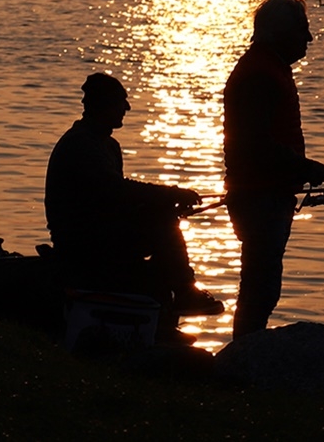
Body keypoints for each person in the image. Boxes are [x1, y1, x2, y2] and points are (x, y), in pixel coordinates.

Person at [44, 72, 224, 317]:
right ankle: (183, 291)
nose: (127, 108)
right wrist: (169, 195)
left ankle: (167, 313)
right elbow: (116, 191)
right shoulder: (81, 144)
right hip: (80, 237)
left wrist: (166, 202)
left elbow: (115, 198)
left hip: (96, 228)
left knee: (161, 216)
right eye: (121, 101)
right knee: (161, 219)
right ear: (103, 104)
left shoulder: (105, 144)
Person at [222, 0, 324, 336]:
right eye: (303, 30)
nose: (309, 38)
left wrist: (299, 170)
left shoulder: (269, 68)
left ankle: (244, 356)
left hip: (265, 193)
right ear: (280, 33)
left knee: (262, 286)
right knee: (260, 288)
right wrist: (304, 167)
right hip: (259, 197)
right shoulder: (260, 75)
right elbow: (254, 143)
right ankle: (242, 361)